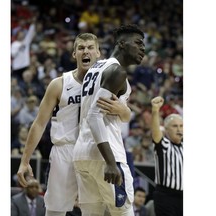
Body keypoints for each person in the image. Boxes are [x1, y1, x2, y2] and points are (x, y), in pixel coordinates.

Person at [16, 33, 130, 216]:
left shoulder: (109, 80)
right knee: (55, 211)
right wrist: (25, 161)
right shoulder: (59, 84)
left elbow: (125, 116)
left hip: (95, 150)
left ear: (99, 53)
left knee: (101, 209)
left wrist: (122, 110)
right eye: (81, 48)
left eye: (90, 47)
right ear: (74, 54)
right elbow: (39, 124)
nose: (86, 51)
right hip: (66, 150)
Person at [73, 24, 146, 216]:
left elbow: (99, 113)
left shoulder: (95, 68)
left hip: (82, 154)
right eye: (138, 43)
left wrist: (124, 111)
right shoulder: (117, 72)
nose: (143, 48)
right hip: (105, 155)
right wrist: (111, 162)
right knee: (123, 212)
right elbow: (94, 117)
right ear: (122, 44)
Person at [150, 96, 183, 216]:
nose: (179, 129)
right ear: (166, 130)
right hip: (165, 196)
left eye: (181, 126)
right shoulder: (164, 144)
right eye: (175, 126)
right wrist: (155, 111)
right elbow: (155, 133)